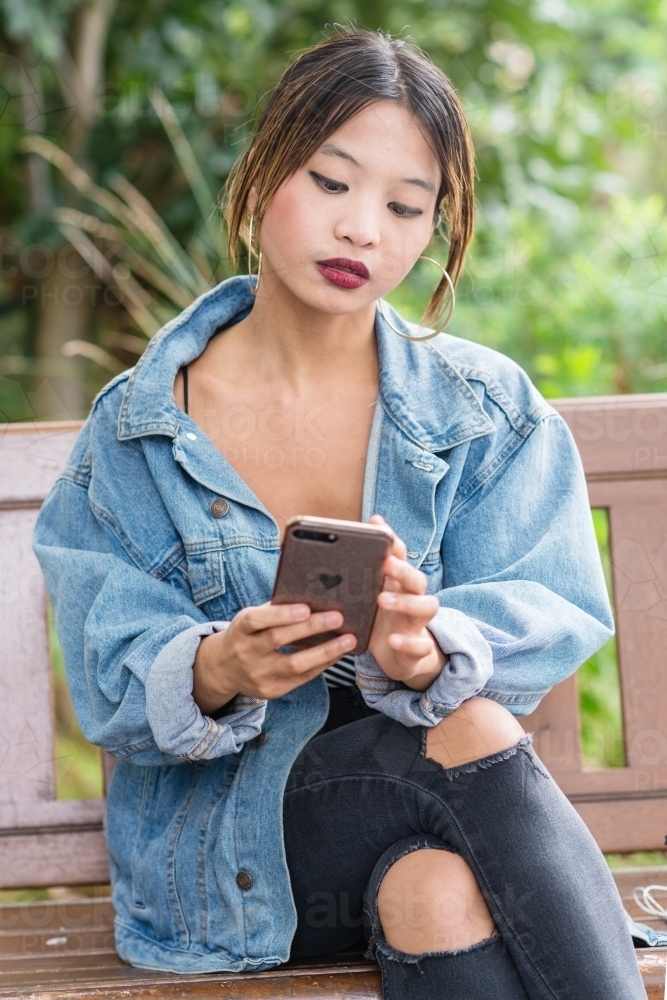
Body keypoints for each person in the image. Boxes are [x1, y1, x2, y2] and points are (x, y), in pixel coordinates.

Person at [33, 28, 645, 999]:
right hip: (232, 857)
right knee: (474, 734)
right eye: (331, 183)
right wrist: (214, 667)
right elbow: (107, 674)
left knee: (438, 893)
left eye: (406, 206)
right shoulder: (142, 429)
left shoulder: (480, 412)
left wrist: (429, 647)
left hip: (411, 834)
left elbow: (551, 601)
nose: (364, 229)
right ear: (264, 169)